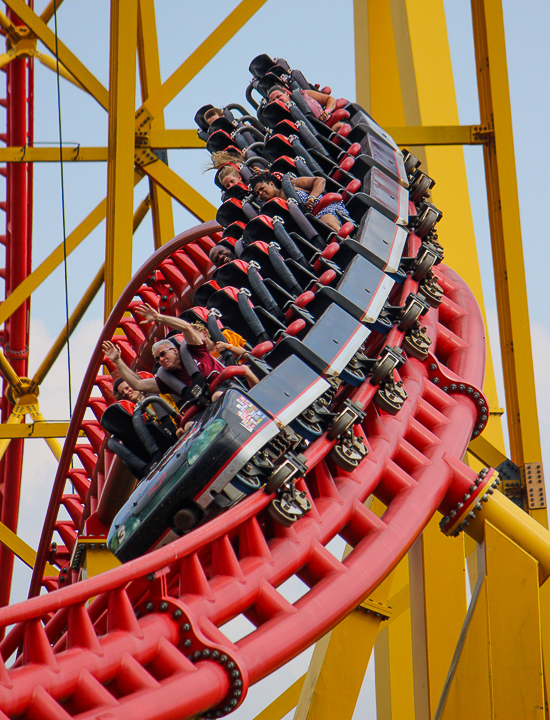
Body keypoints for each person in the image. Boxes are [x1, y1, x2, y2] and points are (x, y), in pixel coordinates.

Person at [102, 306, 226, 404]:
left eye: (163, 354)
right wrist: (117, 360)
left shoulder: (195, 351)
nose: (161, 359)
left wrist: (158, 317)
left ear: (175, 350)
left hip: (226, 388)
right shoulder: (167, 380)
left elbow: (187, 328)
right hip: (207, 409)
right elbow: (137, 385)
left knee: (217, 396)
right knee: (186, 427)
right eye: (157, 359)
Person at [249, 171, 349, 233]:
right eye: (258, 193)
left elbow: (319, 180)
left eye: (262, 189)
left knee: (328, 223)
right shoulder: (272, 210)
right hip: (310, 228)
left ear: (271, 184)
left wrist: (312, 197)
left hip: (323, 209)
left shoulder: (291, 184)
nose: (261, 193)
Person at [267, 84, 344, 131]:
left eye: (278, 96)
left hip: (327, 126)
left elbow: (330, 99)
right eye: (273, 100)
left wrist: (327, 111)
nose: (277, 100)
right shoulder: (280, 119)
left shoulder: (303, 94)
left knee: (340, 127)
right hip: (313, 143)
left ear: (286, 94)